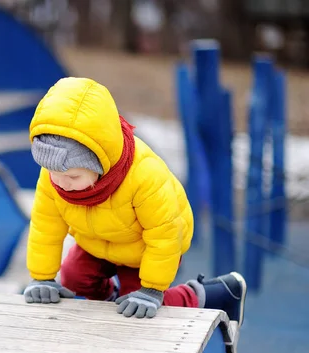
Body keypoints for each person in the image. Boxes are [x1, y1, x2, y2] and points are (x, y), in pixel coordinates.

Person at [23, 76, 247, 325]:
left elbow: (165, 234)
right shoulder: (54, 175)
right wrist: (42, 277)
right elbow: (45, 225)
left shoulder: (144, 175)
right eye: (53, 172)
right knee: (73, 278)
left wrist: (152, 289)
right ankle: (113, 299)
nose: (61, 182)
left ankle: (209, 293)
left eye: (73, 176)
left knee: (143, 308)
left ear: (100, 162)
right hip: (97, 242)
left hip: (145, 249)